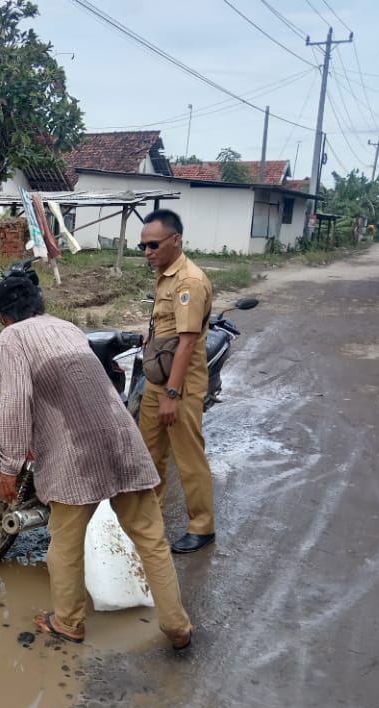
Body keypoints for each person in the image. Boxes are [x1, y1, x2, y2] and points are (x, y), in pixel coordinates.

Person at [0, 271, 193, 650]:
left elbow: (16, 402)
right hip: (122, 439)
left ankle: (68, 622)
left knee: (65, 544)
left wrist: (10, 466)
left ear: (3, 316)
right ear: (40, 305)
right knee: (151, 540)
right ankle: (177, 625)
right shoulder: (66, 327)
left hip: (75, 454)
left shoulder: (12, 337)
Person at [137, 209, 216, 554]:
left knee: (188, 457)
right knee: (149, 454)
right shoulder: (164, 275)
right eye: (142, 246)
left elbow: (186, 342)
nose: (147, 251)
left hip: (179, 387)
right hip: (157, 382)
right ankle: (147, 521)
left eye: (153, 244)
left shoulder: (189, 282)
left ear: (175, 240)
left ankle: (202, 526)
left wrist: (172, 393)